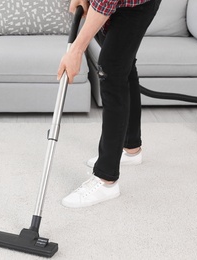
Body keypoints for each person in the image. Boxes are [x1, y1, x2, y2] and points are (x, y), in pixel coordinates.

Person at [57, 0, 161, 208]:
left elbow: (105, 3)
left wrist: (76, 50)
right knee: (123, 66)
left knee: (112, 72)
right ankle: (132, 148)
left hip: (137, 5)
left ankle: (106, 180)